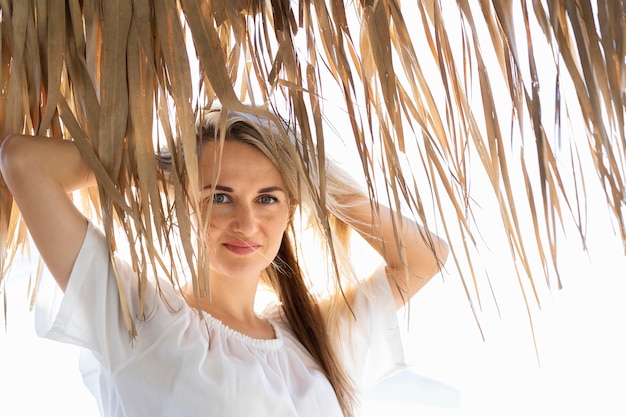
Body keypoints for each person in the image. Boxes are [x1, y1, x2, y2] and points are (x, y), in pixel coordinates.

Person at [0, 108, 448, 417]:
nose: (246, 222)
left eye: (267, 198)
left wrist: (316, 180)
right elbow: (23, 160)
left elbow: (425, 256)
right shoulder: (145, 319)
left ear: (291, 209)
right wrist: (162, 168)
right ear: (184, 202)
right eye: (219, 196)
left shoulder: (311, 338)